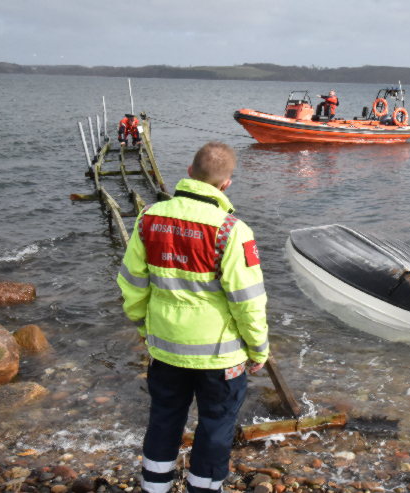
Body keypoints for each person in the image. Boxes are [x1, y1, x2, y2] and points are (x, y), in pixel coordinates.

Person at [117, 141, 269, 493]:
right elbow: (248, 303)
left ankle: (155, 487)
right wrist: (258, 349)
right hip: (220, 357)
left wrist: (144, 326)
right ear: (226, 184)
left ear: (189, 172)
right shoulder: (232, 231)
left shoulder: (149, 218)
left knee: (164, 420)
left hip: (166, 350)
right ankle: (203, 488)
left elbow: (131, 284)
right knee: (216, 427)